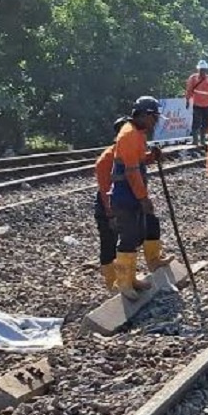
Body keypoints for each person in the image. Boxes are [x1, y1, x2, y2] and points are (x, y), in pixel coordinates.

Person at [110, 97, 172, 300]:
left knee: (135, 235)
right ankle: (124, 282)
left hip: (131, 194)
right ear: (144, 115)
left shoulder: (137, 134)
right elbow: (132, 172)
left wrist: (151, 157)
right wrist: (143, 198)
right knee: (128, 237)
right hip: (125, 195)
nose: (155, 122)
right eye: (153, 117)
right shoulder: (129, 135)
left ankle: (131, 278)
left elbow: (137, 160)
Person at [94, 117, 130, 290]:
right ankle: (111, 282)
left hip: (124, 204)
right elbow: (104, 189)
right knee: (109, 243)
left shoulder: (128, 151)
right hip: (108, 207)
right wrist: (110, 213)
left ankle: (126, 279)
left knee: (126, 241)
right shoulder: (107, 159)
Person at [185, 60, 208, 145]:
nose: (202, 71)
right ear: (198, 69)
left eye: (203, 69)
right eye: (200, 69)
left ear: (206, 70)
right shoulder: (193, 78)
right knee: (196, 122)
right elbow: (189, 90)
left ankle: (203, 141)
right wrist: (187, 100)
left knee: (205, 123)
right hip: (197, 105)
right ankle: (195, 141)